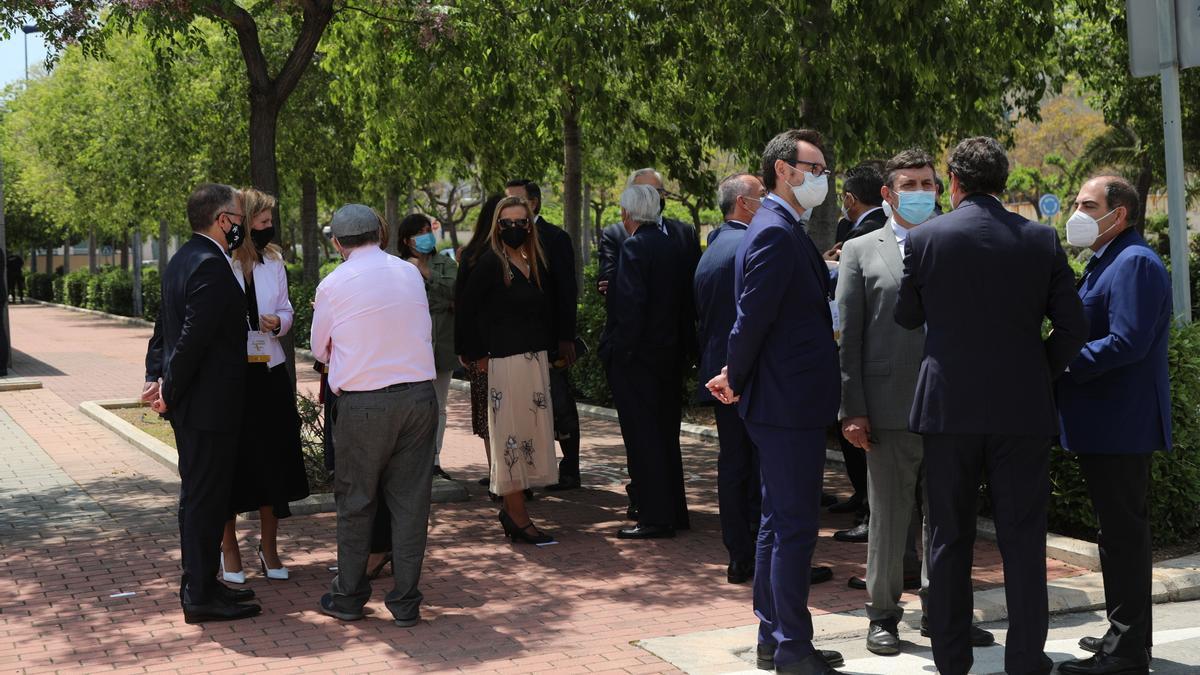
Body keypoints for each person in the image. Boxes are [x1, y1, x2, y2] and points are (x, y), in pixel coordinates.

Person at [894, 136, 1087, 675]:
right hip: (1021, 410)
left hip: (947, 410)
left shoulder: (926, 238)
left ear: (953, 183)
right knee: (1023, 539)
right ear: (1004, 182)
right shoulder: (1041, 239)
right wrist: (1036, 372)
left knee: (947, 536)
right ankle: (1025, 660)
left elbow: (907, 316)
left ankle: (951, 660)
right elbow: (1075, 327)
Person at [837, 149, 994, 655]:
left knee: (948, 517)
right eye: (910, 183)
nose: (922, 192)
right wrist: (852, 408)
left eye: (929, 183)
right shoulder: (860, 250)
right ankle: (882, 614)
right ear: (888, 193)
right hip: (887, 408)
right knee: (889, 517)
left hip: (951, 407)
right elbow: (849, 339)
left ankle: (944, 611)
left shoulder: (957, 240)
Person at [707, 129, 844, 675]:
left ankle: (775, 636)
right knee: (792, 527)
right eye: (815, 167)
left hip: (787, 400)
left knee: (776, 521)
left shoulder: (781, 227)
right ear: (783, 170)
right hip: (788, 403)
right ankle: (790, 646)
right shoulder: (774, 232)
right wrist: (733, 375)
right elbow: (751, 318)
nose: (823, 178)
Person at [1056, 176, 1171, 675]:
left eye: (1087, 204)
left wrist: (1061, 362)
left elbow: (1127, 342)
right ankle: (1125, 636)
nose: (1076, 213)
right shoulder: (1108, 259)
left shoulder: (1135, 263)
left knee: (1123, 536)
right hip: (1106, 422)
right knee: (1117, 534)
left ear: (1118, 213)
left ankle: (1125, 653)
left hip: (1121, 424)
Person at [311, 204, 439, 627]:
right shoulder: (410, 273)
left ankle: (349, 597)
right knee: (410, 503)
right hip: (419, 399)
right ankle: (406, 602)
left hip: (364, 404)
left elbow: (318, 349)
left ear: (336, 243)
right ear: (380, 235)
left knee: (356, 502)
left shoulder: (332, 284)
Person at [140, 183, 260, 623]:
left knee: (203, 499)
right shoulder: (208, 264)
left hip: (200, 403)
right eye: (238, 215)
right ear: (221, 219)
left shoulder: (183, 259)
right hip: (207, 407)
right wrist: (166, 387)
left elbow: (164, 329)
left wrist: (157, 377)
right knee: (204, 500)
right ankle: (199, 595)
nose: (242, 224)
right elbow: (190, 340)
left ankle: (205, 584)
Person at [220, 188, 310, 583]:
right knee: (232, 465)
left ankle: (269, 547)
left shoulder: (274, 260)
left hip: (270, 370)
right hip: (232, 377)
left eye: (270, 222)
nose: (267, 227)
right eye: (261, 221)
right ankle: (229, 549)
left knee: (274, 462)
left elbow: (287, 308)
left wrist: (279, 322)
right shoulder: (221, 260)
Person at [457, 196, 557, 544]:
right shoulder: (489, 263)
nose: (514, 228)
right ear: (496, 227)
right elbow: (466, 311)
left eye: (521, 222)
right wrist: (475, 356)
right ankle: (516, 514)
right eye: (506, 223)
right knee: (510, 440)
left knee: (529, 436)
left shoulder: (534, 261)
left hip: (533, 362)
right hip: (505, 363)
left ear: (530, 225)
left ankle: (515, 511)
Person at [601, 184, 688, 540]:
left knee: (643, 437)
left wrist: (619, 352)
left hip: (639, 360)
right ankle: (674, 510)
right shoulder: (673, 245)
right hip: (669, 356)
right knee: (666, 435)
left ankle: (654, 516)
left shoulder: (635, 246)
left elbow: (631, 308)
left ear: (627, 214)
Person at [695, 173, 765, 577]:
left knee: (735, 465)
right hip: (745, 375)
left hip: (724, 374)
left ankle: (741, 555)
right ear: (743, 203)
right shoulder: (747, 246)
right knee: (755, 468)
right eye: (762, 197)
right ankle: (756, 552)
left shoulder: (715, 246)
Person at [503, 180, 583, 492]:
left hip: (550, 338)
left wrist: (566, 336)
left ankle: (570, 467)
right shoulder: (499, 238)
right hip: (516, 340)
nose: (509, 206)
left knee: (560, 403)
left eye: (516, 201)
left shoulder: (555, 237)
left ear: (533, 203)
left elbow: (566, 289)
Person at [826, 163, 886, 530]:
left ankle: (868, 509)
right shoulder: (856, 230)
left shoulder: (863, 234)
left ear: (850, 198)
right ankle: (861, 498)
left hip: (862, 351)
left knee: (858, 430)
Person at [397, 212, 459, 481]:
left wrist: (426, 273)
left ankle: (434, 459)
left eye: (428, 230)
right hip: (408, 346)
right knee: (408, 405)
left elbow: (456, 290)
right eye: (419, 232)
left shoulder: (444, 262)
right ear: (406, 240)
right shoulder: (396, 266)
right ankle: (408, 459)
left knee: (439, 404)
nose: (426, 236)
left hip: (443, 342)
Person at [455, 195, 503, 485]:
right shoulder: (474, 256)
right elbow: (463, 305)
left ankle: (509, 476)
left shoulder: (527, 254)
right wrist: (466, 348)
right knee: (490, 415)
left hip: (512, 349)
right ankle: (498, 473)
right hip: (483, 350)